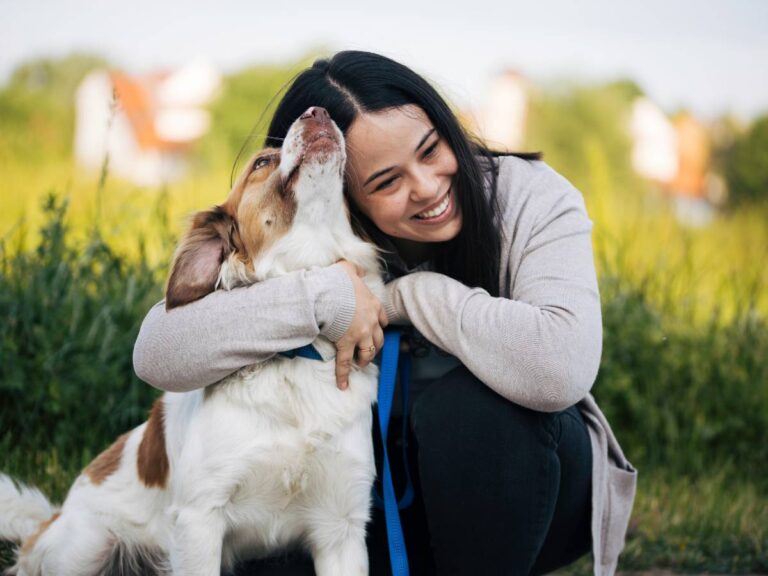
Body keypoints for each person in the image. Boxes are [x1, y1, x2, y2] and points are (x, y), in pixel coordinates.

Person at [133, 50, 637, 576]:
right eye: (387, 183)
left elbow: (560, 366)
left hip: (529, 495)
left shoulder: (531, 197)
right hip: (368, 512)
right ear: (342, 190)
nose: (426, 187)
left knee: (473, 409)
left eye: (431, 149)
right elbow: (157, 352)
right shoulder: (325, 241)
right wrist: (325, 296)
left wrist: (406, 297)